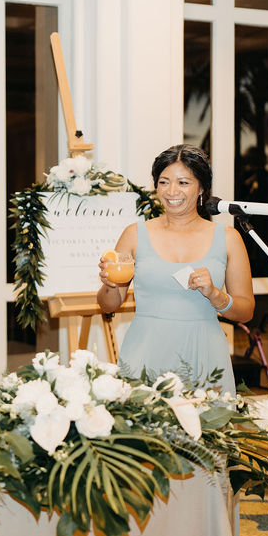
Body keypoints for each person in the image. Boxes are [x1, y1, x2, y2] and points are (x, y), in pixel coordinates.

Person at [97, 144, 254, 393]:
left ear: (201, 187)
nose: (172, 191)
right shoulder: (134, 235)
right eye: (163, 182)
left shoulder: (228, 237)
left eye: (183, 182)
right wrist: (109, 284)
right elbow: (109, 305)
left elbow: (246, 311)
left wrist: (216, 295)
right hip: (145, 354)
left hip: (205, 355)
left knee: (207, 428)